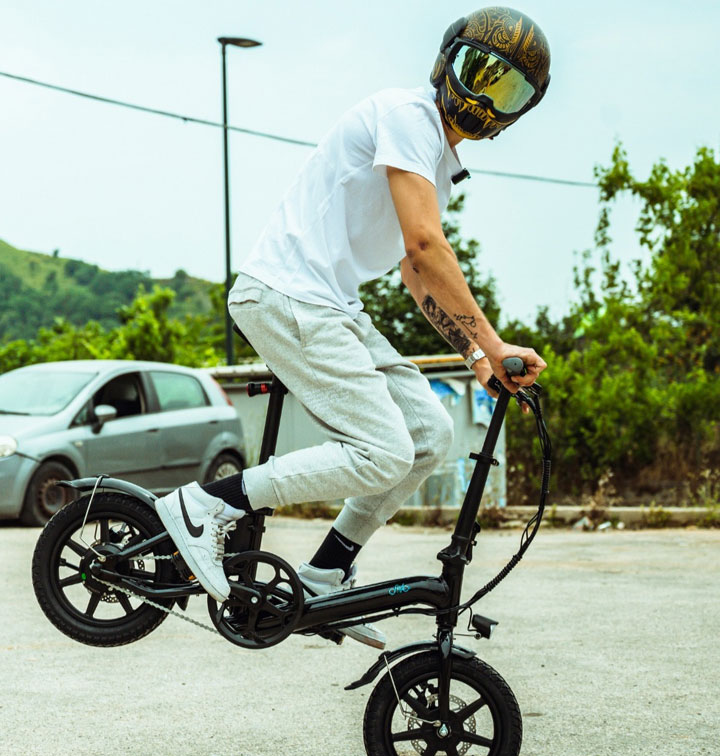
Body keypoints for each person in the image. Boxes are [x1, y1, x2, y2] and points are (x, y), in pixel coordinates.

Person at [156, 6, 551, 649]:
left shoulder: (438, 162)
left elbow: (414, 275)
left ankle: (326, 570)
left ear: (518, 111)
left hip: (331, 305)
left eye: (506, 87)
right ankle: (205, 506)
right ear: (448, 60)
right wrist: (496, 340)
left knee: (427, 433)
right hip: (289, 295)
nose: (484, 94)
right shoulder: (409, 116)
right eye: (477, 71)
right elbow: (426, 246)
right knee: (383, 450)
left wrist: (477, 355)